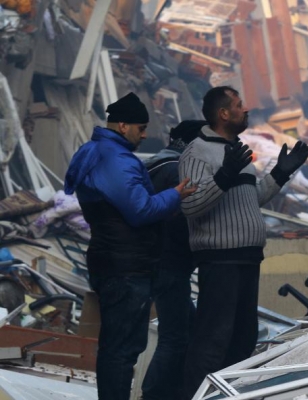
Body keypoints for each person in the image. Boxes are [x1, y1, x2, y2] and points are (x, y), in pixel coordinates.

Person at [63, 93, 196, 400]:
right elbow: (140, 211)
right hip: (125, 267)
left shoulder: (95, 152)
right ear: (123, 125)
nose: (145, 134)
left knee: (116, 347)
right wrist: (176, 194)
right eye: (141, 127)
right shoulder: (116, 160)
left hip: (112, 260)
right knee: (122, 350)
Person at [180, 86, 308, 397]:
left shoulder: (236, 149)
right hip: (220, 261)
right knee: (213, 341)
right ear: (224, 113)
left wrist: (280, 173)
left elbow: (251, 199)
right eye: (239, 105)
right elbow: (190, 205)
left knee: (242, 340)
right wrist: (223, 175)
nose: (245, 109)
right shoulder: (198, 152)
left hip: (247, 259)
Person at [141, 120, 207, 400]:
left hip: (157, 262)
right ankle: (153, 394)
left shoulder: (155, 165)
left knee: (186, 329)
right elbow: (179, 221)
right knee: (174, 337)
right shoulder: (176, 172)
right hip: (169, 265)